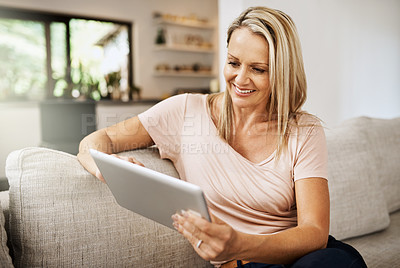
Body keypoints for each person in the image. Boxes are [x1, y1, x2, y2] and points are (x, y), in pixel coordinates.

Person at [77, 6, 367, 268]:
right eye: (233, 63)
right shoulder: (184, 111)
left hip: (308, 257)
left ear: (282, 73)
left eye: (258, 69)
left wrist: (240, 243)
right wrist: (104, 166)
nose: (240, 79)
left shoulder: (304, 130)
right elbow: (97, 141)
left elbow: (314, 233)